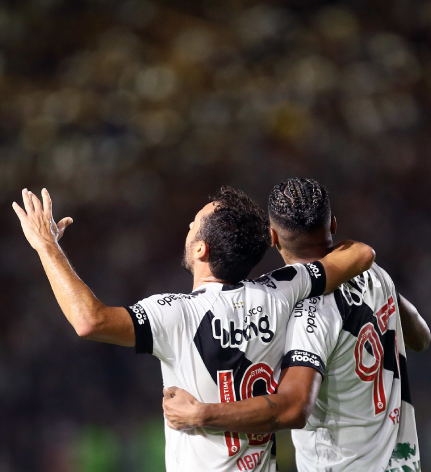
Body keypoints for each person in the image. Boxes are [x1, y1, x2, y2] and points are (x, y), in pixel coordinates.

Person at [12, 186, 375, 472]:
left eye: (192, 225)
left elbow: (89, 320)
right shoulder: (282, 289)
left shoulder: (176, 314)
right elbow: (361, 254)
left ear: (200, 249)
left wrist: (47, 247)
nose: (186, 228)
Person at [162, 178, 429, 471]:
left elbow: (294, 407)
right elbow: (420, 337)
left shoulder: (307, 311)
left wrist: (202, 415)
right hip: (402, 462)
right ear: (334, 225)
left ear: (272, 237)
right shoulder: (374, 273)